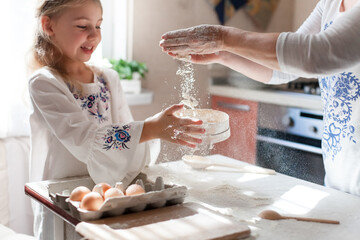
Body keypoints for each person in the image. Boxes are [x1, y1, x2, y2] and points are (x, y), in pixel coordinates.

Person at [28, 0, 205, 238]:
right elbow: (85, 140)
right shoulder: (44, 83)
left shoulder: (108, 78)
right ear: (49, 26)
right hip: (64, 201)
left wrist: (156, 128)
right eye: (82, 26)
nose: (94, 35)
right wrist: (152, 128)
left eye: (99, 26)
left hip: (108, 200)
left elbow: (129, 140)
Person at [160, 0, 360, 196]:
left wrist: (223, 37)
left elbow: (315, 54)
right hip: (339, 184)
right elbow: (284, 69)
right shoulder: (330, 4)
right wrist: (223, 53)